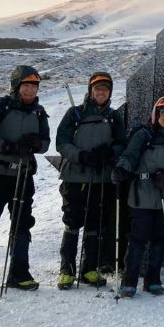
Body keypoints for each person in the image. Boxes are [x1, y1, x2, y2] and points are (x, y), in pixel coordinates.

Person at [0, 65, 50, 293]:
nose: (31, 90)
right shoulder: (0, 106)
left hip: (23, 175)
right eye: (26, 85)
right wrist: (6, 145)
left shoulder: (39, 111)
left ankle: (19, 273)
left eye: (34, 86)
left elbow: (45, 143)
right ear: (16, 86)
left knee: (22, 223)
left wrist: (35, 143)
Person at [112, 95, 164, 297]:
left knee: (159, 239)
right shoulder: (143, 135)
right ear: (156, 114)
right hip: (142, 195)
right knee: (137, 238)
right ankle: (129, 281)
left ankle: (153, 280)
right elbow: (130, 156)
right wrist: (121, 169)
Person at [55, 72, 125, 290]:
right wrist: (81, 156)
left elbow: (122, 143)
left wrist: (108, 152)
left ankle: (89, 269)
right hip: (75, 176)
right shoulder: (75, 113)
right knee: (72, 222)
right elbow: (62, 142)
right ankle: (67, 270)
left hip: (101, 178)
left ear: (110, 92)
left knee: (95, 223)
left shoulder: (114, 117)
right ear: (90, 90)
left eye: (105, 89)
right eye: (97, 88)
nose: (101, 92)